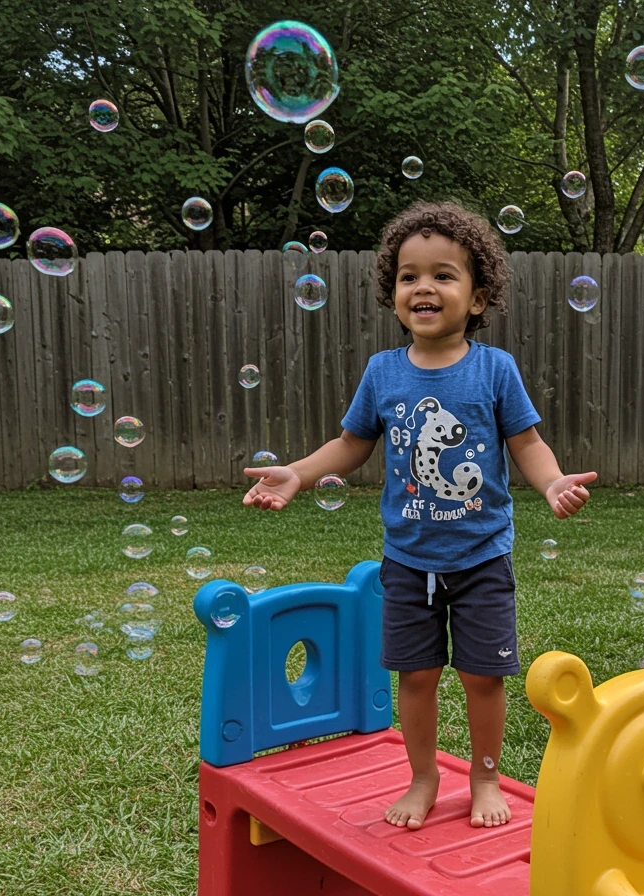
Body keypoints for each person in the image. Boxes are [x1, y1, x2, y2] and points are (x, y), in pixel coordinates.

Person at [242, 200, 596, 830]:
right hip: (406, 561)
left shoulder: (495, 369)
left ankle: (484, 777)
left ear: (479, 297)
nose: (424, 287)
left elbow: (527, 444)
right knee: (418, 675)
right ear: (393, 291)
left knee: (485, 678)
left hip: (483, 556)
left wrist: (552, 482)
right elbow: (351, 445)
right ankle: (425, 776)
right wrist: (298, 472)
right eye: (409, 276)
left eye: (443, 274)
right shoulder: (383, 372)